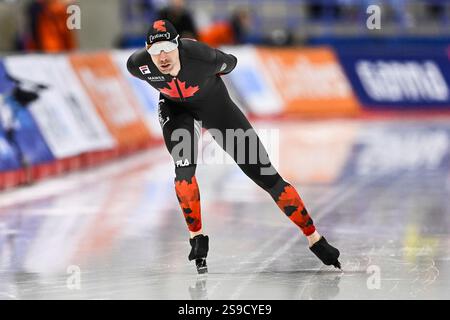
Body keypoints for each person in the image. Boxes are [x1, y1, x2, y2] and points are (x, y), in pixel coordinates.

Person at [127, 19, 341, 274]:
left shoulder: (202, 57)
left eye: (167, 48)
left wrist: (213, 71)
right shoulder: (137, 64)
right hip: (176, 110)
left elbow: (232, 62)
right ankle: (197, 238)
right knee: (183, 172)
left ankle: (314, 238)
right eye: (155, 50)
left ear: (178, 45)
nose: (162, 56)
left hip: (216, 108)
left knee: (266, 175)